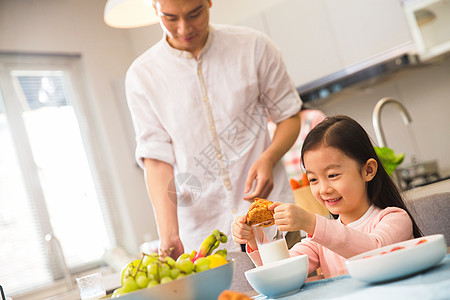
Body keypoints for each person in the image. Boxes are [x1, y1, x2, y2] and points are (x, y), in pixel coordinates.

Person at [125, 0, 302, 259]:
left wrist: (269, 157)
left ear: (209, 2)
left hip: (274, 220)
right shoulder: (142, 76)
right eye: (170, 17)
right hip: (204, 239)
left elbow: (288, 116)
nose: (184, 28)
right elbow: (156, 160)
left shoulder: (253, 47)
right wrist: (168, 233)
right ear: (154, 8)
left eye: (194, 13)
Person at [232, 115, 422, 278]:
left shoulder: (395, 218)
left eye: (332, 175)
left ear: (368, 170)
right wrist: (255, 238)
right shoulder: (319, 241)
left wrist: (311, 223)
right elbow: (281, 273)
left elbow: (375, 252)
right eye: (313, 179)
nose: (323, 189)